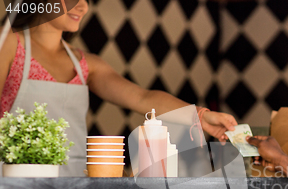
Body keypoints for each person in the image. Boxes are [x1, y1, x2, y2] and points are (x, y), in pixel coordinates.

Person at [0, 0, 237, 176]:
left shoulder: (85, 64)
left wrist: (201, 117)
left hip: (74, 185)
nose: (82, 6)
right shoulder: (9, 44)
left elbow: (143, 98)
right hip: (15, 183)